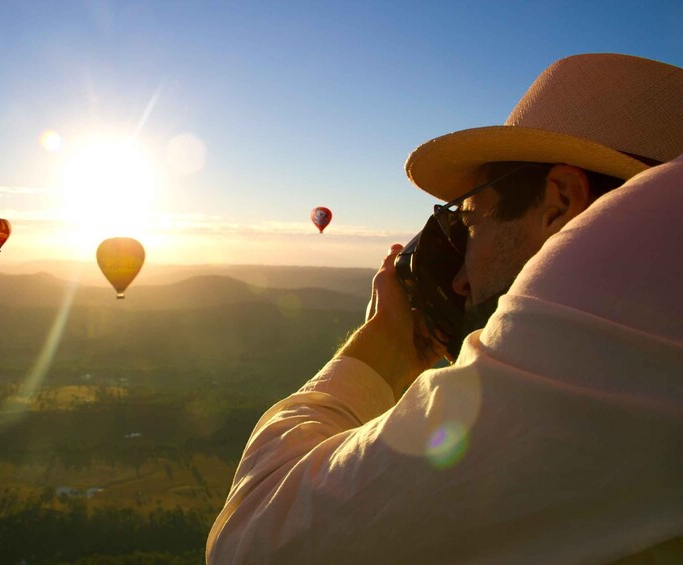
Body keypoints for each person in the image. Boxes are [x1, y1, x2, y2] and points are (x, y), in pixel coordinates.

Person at [206, 53, 683, 564]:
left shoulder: (602, 337)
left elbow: (255, 543)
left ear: (559, 203)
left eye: (471, 223)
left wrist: (378, 354)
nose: (459, 279)